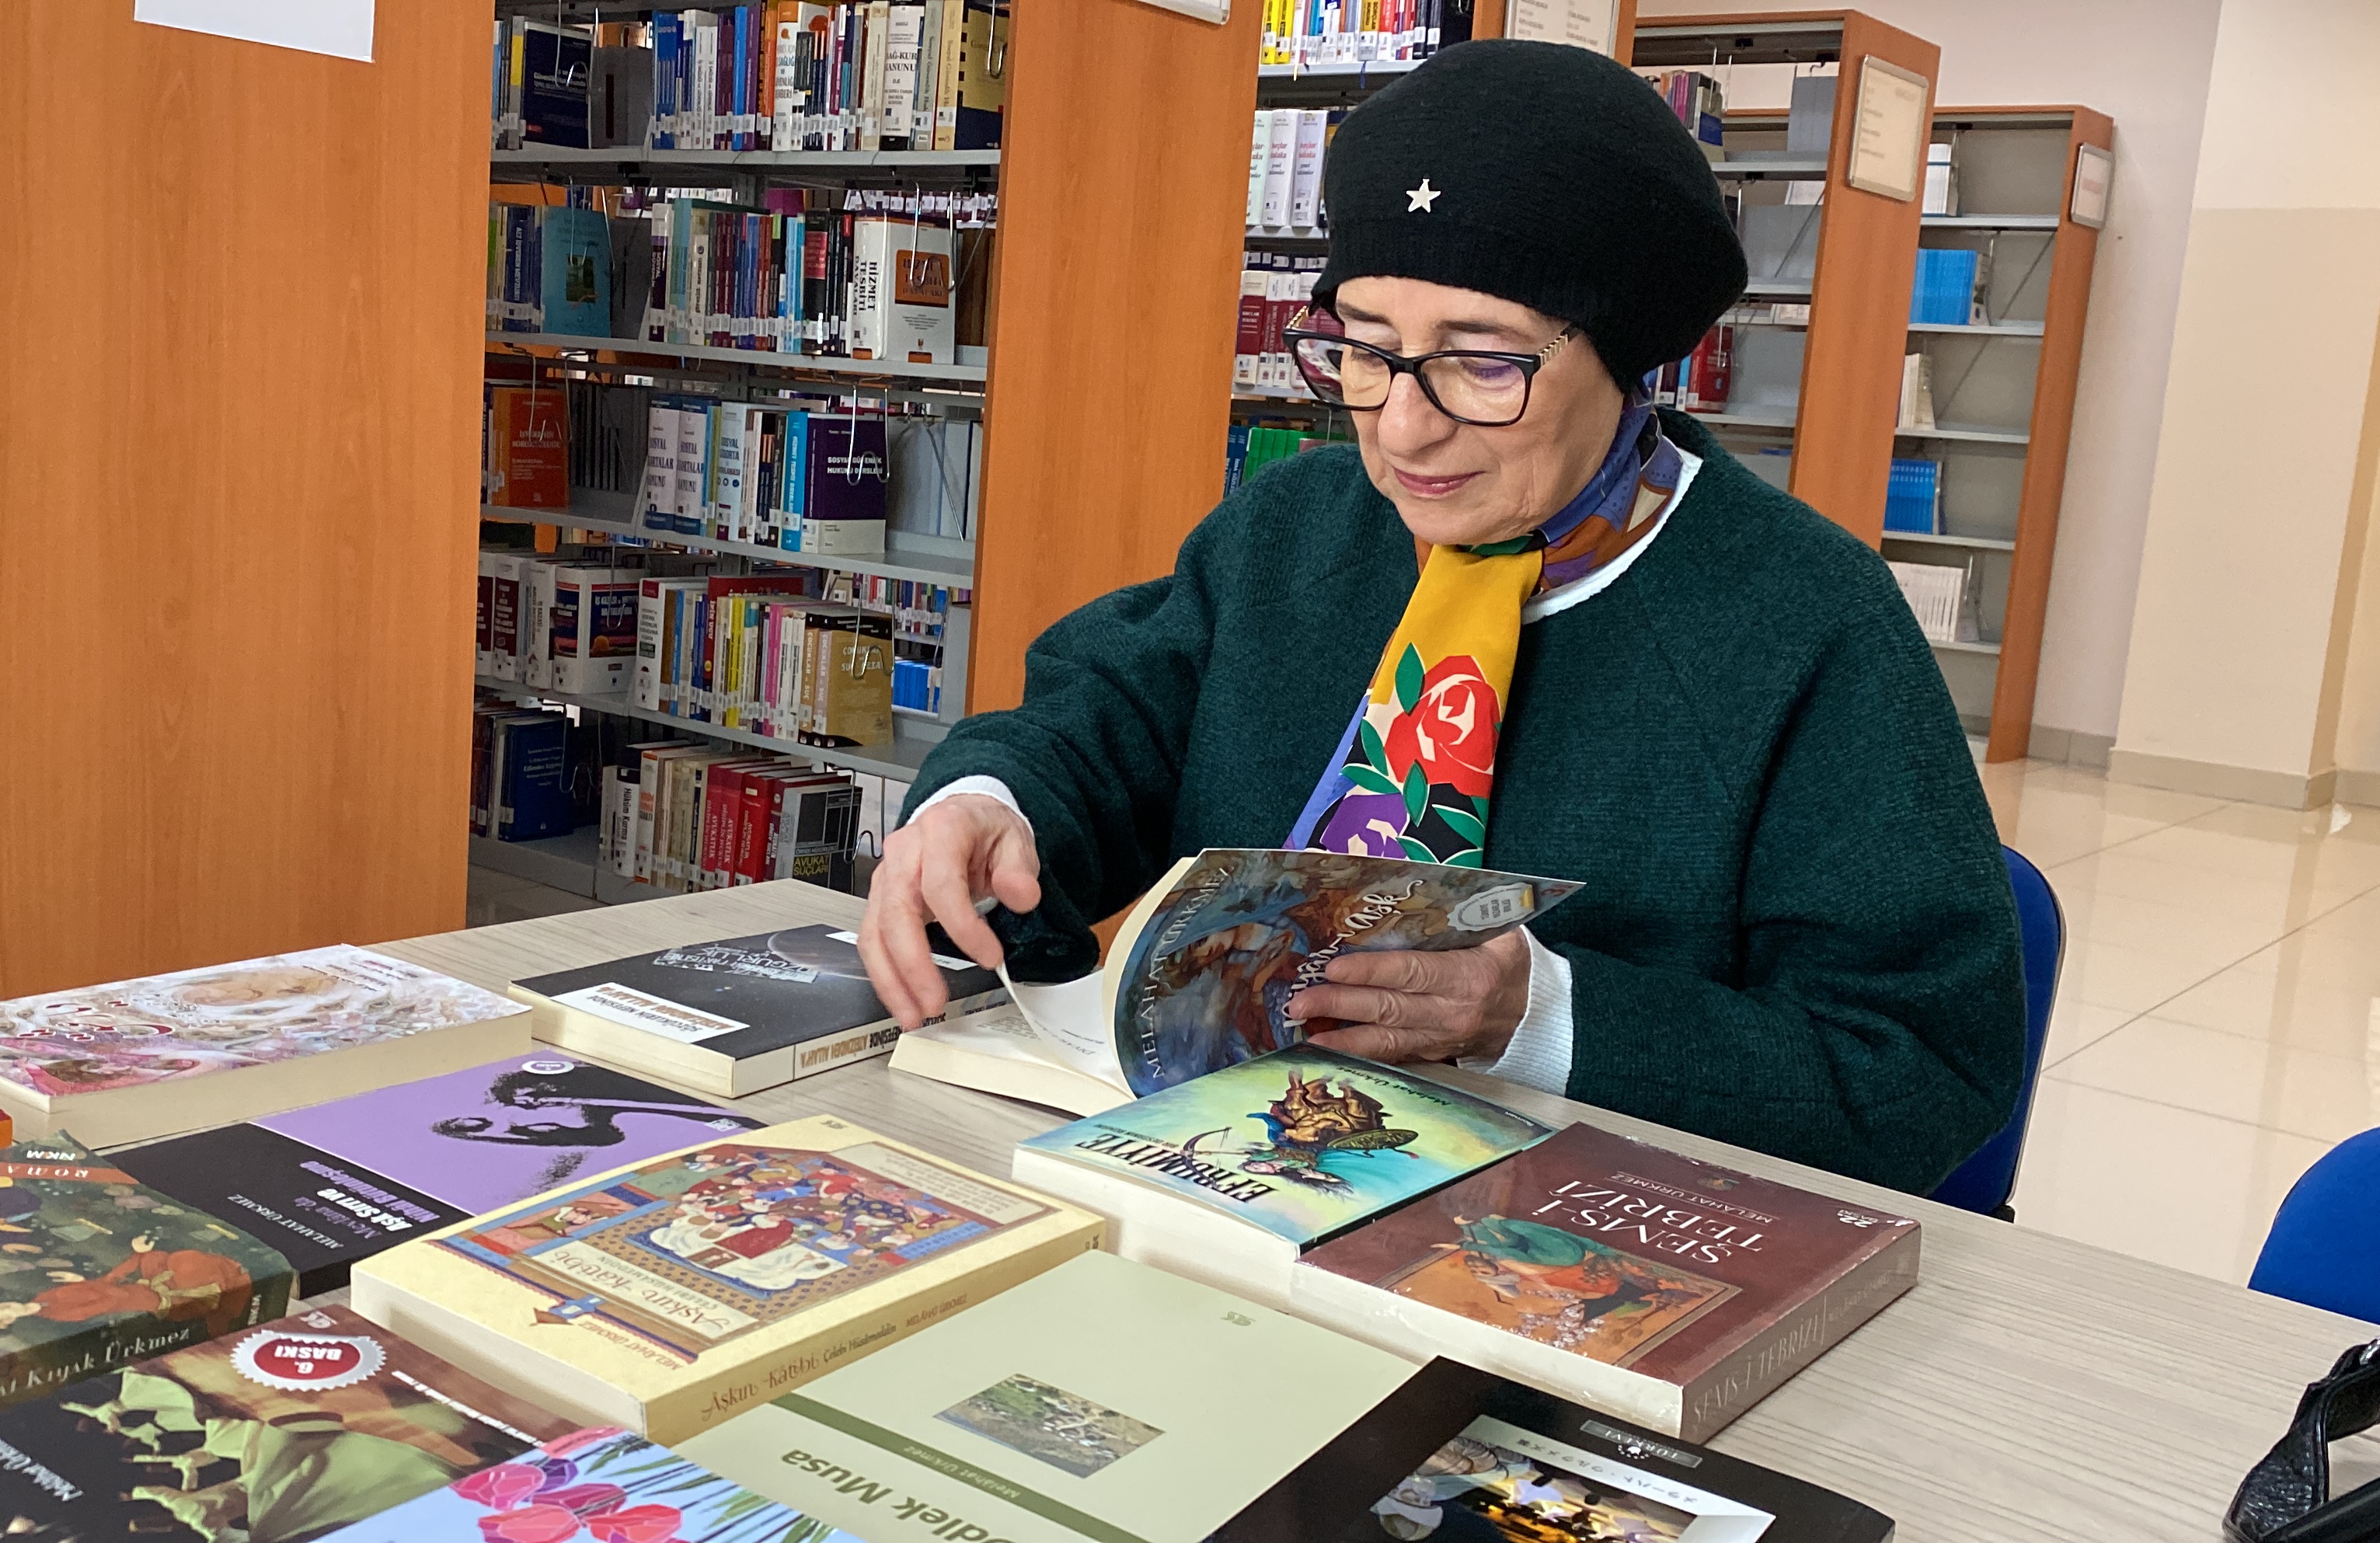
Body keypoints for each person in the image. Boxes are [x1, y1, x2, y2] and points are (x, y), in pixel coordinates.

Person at [855, 40, 2024, 1196]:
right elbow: (1097, 725)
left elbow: (1921, 1068)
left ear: (1624, 359)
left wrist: (1540, 1015)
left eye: (1482, 364)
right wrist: (983, 804)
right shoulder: (1294, 528)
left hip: (1566, 1237)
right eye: (1365, 350)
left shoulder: (1808, 622)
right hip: (1221, 1180)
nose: (1405, 429)